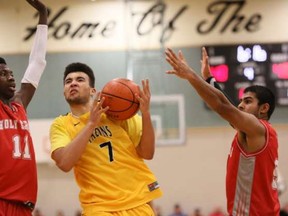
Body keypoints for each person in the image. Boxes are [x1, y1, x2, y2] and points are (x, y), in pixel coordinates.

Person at [165, 47, 280, 215]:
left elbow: (222, 106)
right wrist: (210, 80)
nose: (240, 105)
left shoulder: (256, 128)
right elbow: (227, 106)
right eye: (241, 101)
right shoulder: (252, 131)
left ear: (264, 108)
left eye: (248, 101)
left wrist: (190, 75)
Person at [49, 62, 163, 215]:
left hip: (137, 199)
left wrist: (146, 114)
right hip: (99, 206)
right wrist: (90, 124)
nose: (73, 83)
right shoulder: (61, 125)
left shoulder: (117, 113)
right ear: (64, 91)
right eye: (68, 81)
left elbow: (147, 153)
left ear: (93, 90)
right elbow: (64, 163)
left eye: (80, 79)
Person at [0, 1, 48, 216]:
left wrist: (43, 14)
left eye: (11, 73)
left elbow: (37, 61)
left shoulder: (20, 102)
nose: (11, 77)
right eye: (3, 74)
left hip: (24, 205)